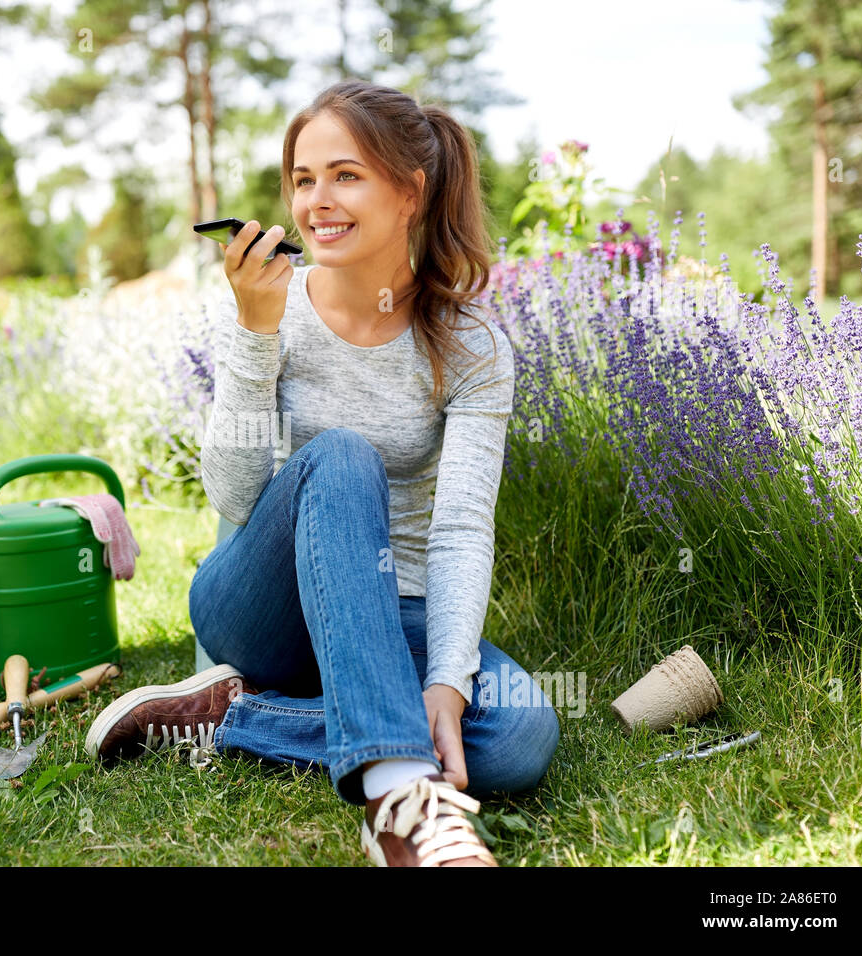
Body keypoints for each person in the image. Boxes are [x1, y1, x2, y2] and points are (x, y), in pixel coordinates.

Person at [85, 81, 559, 867]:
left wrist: (446, 679)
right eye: (303, 180)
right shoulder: (269, 304)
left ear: (410, 192)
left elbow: (463, 529)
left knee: (515, 735)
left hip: (388, 609)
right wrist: (255, 331)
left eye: (345, 175)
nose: (316, 201)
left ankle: (225, 719)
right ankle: (401, 798)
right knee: (341, 455)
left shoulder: (471, 344)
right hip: (259, 606)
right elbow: (235, 498)